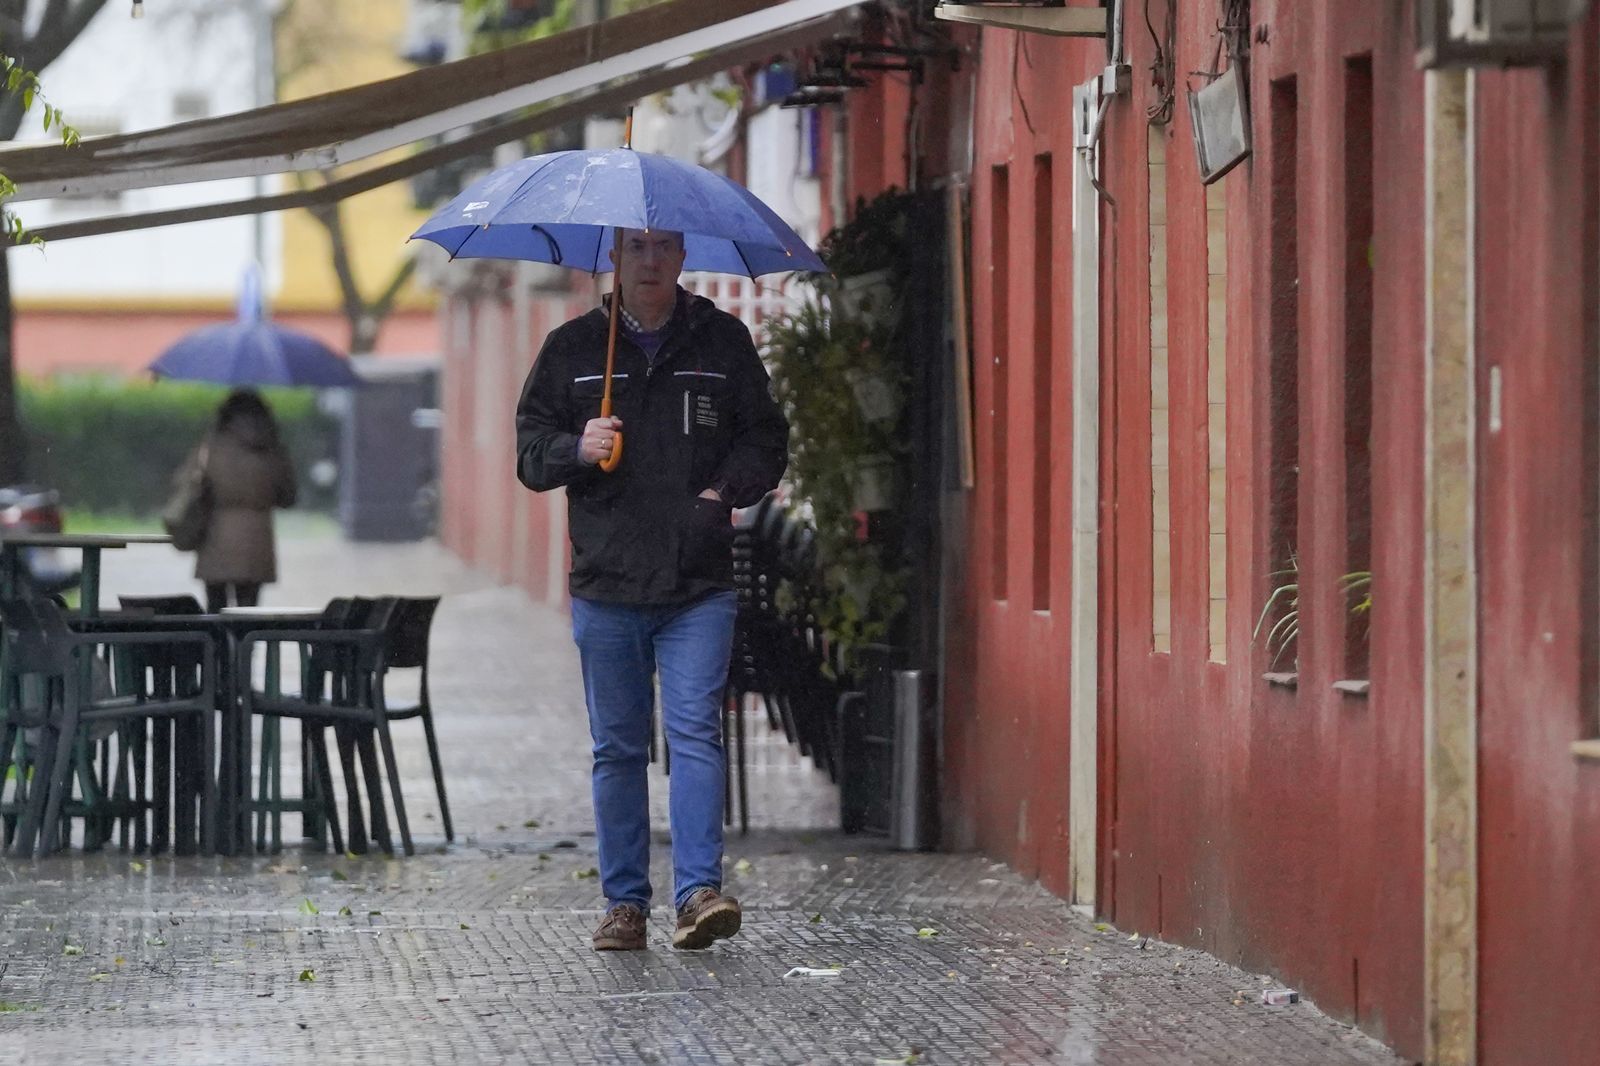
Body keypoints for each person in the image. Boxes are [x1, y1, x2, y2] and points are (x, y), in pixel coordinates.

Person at [515, 228, 788, 951]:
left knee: (695, 732)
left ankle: (698, 892)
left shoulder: (721, 341)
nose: (651, 260)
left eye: (664, 246)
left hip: (698, 582)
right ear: (615, 258)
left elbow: (766, 439)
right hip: (607, 583)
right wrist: (580, 447)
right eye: (636, 247)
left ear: (682, 256)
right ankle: (624, 905)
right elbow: (530, 452)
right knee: (618, 748)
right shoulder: (573, 350)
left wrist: (718, 493)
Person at [181, 388, 298, 613]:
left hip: (217, 536)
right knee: (249, 612)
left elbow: (190, 482)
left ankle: (219, 648)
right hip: (258, 540)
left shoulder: (212, 446)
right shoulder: (273, 449)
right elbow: (288, 496)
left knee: (215, 610)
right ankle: (245, 648)